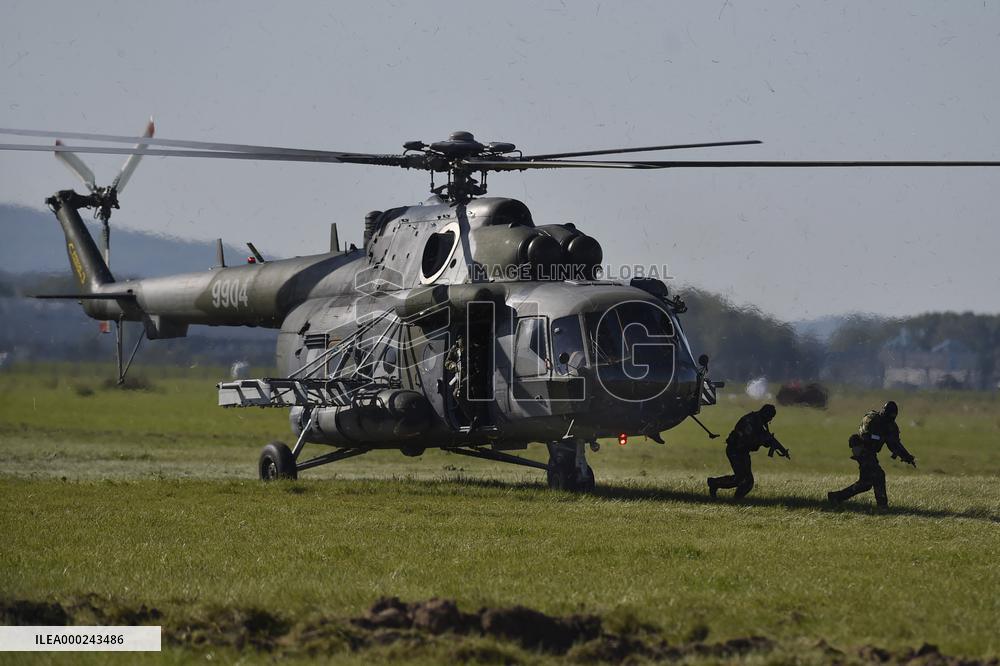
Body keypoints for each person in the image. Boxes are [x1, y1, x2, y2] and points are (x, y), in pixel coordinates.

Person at [827, 400, 916, 508]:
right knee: (879, 475)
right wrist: (883, 438)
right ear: (883, 412)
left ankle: (836, 497)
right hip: (861, 448)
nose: (890, 419)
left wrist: (906, 456)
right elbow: (866, 436)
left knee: (865, 484)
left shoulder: (891, 425)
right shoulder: (872, 419)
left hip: (871, 452)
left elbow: (895, 443)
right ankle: (882, 506)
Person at [707, 403, 789, 499]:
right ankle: (715, 484)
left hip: (743, 451)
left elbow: (762, 437)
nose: (770, 419)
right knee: (742, 479)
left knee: (747, 481)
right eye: (770, 417)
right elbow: (747, 438)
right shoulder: (749, 420)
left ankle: (736, 498)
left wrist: (776, 446)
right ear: (765, 414)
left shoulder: (760, 422)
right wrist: (763, 440)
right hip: (735, 450)